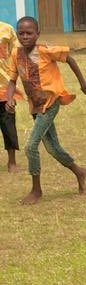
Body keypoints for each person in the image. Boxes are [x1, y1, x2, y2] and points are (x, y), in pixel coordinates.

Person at [5, 16, 86, 205]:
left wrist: (83, 83)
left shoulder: (45, 50)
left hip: (50, 104)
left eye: (29, 33)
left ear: (37, 34)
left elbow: (70, 59)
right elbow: (12, 80)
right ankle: (79, 172)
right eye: (21, 33)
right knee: (53, 148)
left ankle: (36, 190)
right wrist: (10, 98)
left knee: (31, 147)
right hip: (35, 107)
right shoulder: (16, 54)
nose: (25, 36)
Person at [0, 20, 23, 173]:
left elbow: (17, 55)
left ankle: (12, 161)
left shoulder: (6, 29)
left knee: (8, 123)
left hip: (4, 86)